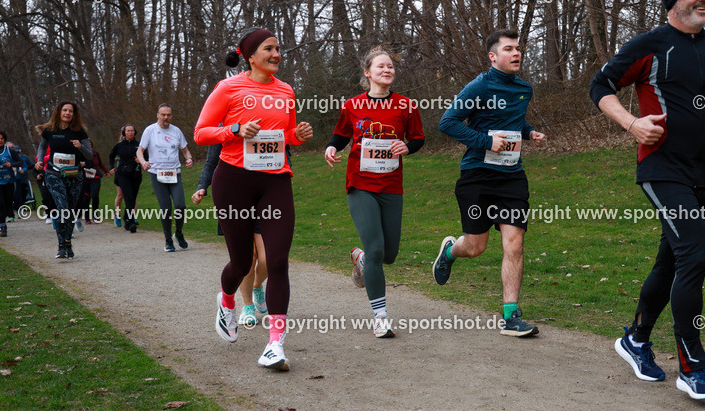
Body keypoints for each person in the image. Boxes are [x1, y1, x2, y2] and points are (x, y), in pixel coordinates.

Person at [590, 0, 705, 401]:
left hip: (704, 173)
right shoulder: (651, 44)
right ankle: (693, 367)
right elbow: (599, 85)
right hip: (661, 168)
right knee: (695, 254)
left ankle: (636, 339)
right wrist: (631, 124)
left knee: (673, 259)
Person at [194, 27, 313, 371]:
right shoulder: (228, 88)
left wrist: (298, 135)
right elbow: (201, 133)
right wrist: (234, 130)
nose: (276, 54)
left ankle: (275, 344)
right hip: (233, 181)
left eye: (278, 49)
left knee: (277, 261)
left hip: (275, 180)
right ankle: (227, 299)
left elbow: (284, 136)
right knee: (242, 263)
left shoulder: (286, 90)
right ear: (249, 55)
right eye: (268, 49)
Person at [433, 29, 546, 337]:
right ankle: (449, 253)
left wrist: (528, 132)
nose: (516, 53)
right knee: (476, 246)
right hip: (478, 176)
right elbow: (448, 122)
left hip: (512, 177)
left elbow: (513, 120)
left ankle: (511, 316)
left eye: (518, 48)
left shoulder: (524, 88)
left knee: (515, 243)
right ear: (493, 56)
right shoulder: (478, 87)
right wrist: (485, 141)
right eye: (509, 49)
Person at [324, 47, 425, 338]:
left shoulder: (406, 105)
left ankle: (362, 260)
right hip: (360, 184)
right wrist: (332, 147)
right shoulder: (352, 104)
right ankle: (380, 317)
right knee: (377, 247)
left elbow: (417, 138)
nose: (387, 70)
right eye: (381, 66)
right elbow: (341, 134)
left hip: (392, 186)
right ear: (367, 73)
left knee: (389, 254)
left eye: (391, 66)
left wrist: (408, 147)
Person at [193, 141, 268, 327]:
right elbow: (212, 162)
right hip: (234, 196)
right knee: (247, 257)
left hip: (264, 195)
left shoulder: (269, 119)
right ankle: (248, 305)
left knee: (269, 258)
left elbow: (283, 153)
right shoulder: (225, 126)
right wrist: (202, 186)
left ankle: (257, 286)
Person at [35, 102, 93, 258]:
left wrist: (80, 146)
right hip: (54, 173)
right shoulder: (50, 131)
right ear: (59, 112)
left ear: (74, 114)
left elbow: (89, 155)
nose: (67, 113)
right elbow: (42, 147)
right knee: (62, 207)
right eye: (65, 110)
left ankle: (68, 242)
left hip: (75, 175)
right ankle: (61, 246)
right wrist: (40, 160)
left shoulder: (79, 132)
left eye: (71, 111)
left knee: (71, 211)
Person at [138, 104, 193, 251]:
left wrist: (189, 159)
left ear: (171, 116)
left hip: (174, 173)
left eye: (168, 114)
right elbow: (140, 150)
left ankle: (179, 233)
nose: (166, 117)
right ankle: (168, 240)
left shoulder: (176, 131)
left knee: (181, 206)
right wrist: (144, 162)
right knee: (166, 208)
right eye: (163, 114)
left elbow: (186, 151)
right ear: (157, 115)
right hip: (157, 174)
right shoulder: (150, 130)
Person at [0, 131, 23, 237]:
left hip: (9, 181)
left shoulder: (10, 150)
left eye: (2, 139)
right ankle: (3, 227)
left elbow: (20, 162)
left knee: (8, 205)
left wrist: (11, 164)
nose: (0, 141)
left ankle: (6, 217)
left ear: (4, 140)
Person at [109, 125, 142, 232]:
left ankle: (128, 219)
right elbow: (111, 155)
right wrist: (111, 167)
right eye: (128, 131)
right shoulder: (119, 145)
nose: (130, 133)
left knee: (132, 198)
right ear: (124, 133)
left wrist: (141, 160)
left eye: (132, 131)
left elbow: (147, 156)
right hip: (123, 174)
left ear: (135, 132)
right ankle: (130, 222)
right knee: (127, 197)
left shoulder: (139, 145)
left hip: (136, 174)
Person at [77, 139, 109, 224]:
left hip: (95, 176)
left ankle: (95, 215)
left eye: (90, 144)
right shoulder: (80, 154)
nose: (88, 146)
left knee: (94, 195)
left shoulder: (95, 153)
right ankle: (87, 217)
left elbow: (100, 163)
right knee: (86, 197)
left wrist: (106, 171)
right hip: (85, 178)